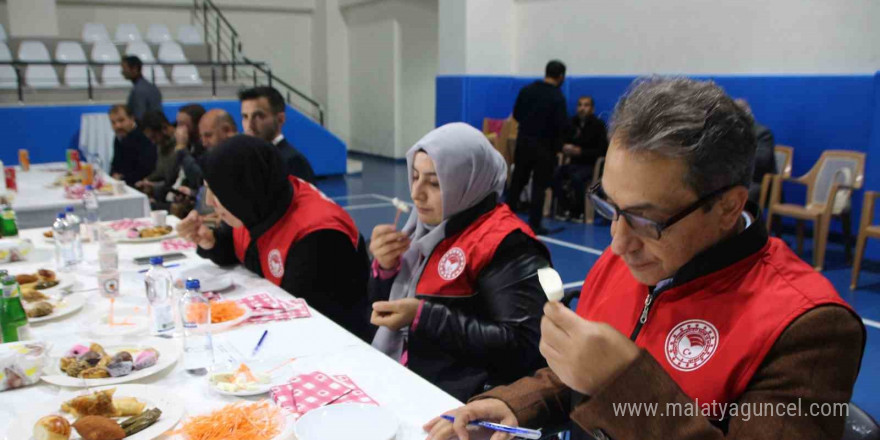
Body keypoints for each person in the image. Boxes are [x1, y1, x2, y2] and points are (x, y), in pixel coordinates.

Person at [425, 78, 864, 440]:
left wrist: (619, 382)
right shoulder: (630, 258)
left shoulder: (808, 326)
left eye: (645, 219)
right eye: (609, 207)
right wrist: (518, 403)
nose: (617, 243)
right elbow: (579, 373)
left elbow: (605, 378)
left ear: (729, 207)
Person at [369, 123, 552, 401]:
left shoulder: (507, 244)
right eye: (415, 176)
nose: (416, 193)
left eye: (434, 182)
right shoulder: (421, 228)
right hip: (411, 377)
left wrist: (425, 316)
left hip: (464, 401)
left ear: (468, 182)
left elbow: (524, 345)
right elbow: (378, 313)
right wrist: (384, 269)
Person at [175, 135, 371, 340]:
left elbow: (307, 323)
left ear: (240, 190)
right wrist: (212, 242)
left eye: (216, 192)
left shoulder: (318, 237)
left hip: (332, 341)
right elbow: (242, 249)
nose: (209, 201)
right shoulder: (260, 201)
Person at [506, 60, 569, 235]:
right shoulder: (557, 97)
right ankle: (534, 224)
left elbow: (517, 114)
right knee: (539, 186)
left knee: (518, 181)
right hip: (545, 147)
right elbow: (561, 125)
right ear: (561, 76)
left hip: (524, 142)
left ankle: (504, 218)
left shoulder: (527, 90)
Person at [239, 86, 315, 182]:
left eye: (258, 116)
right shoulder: (247, 160)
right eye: (245, 117)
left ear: (280, 119)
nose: (249, 125)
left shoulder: (292, 161)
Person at [552, 96, 608, 220]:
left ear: (592, 109)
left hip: (590, 165)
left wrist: (581, 152)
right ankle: (565, 208)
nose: (582, 108)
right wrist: (564, 147)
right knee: (555, 173)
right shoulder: (571, 123)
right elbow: (559, 141)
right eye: (580, 105)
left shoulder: (598, 125)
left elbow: (602, 151)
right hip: (573, 163)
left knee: (577, 178)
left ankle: (578, 211)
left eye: (586, 105)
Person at [735, 99, 777, 204]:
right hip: (736, 180)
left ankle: (748, 220)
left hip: (758, 181)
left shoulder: (763, 133)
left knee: (740, 194)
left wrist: (735, 156)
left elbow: (762, 160)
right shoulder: (731, 133)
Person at [108, 104, 156, 187]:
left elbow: (146, 169)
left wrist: (122, 178)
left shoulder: (144, 136)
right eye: (113, 122)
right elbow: (115, 163)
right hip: (123, 183)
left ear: (131, 119)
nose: (117, 126)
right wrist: (113, 174)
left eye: (121, 120)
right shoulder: (119, 137)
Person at [121, 56, 162, 121]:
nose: (122, 72)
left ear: (134, 69)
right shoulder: (152, 87)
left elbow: (140, 116)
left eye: (124, 69)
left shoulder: (139, 90)